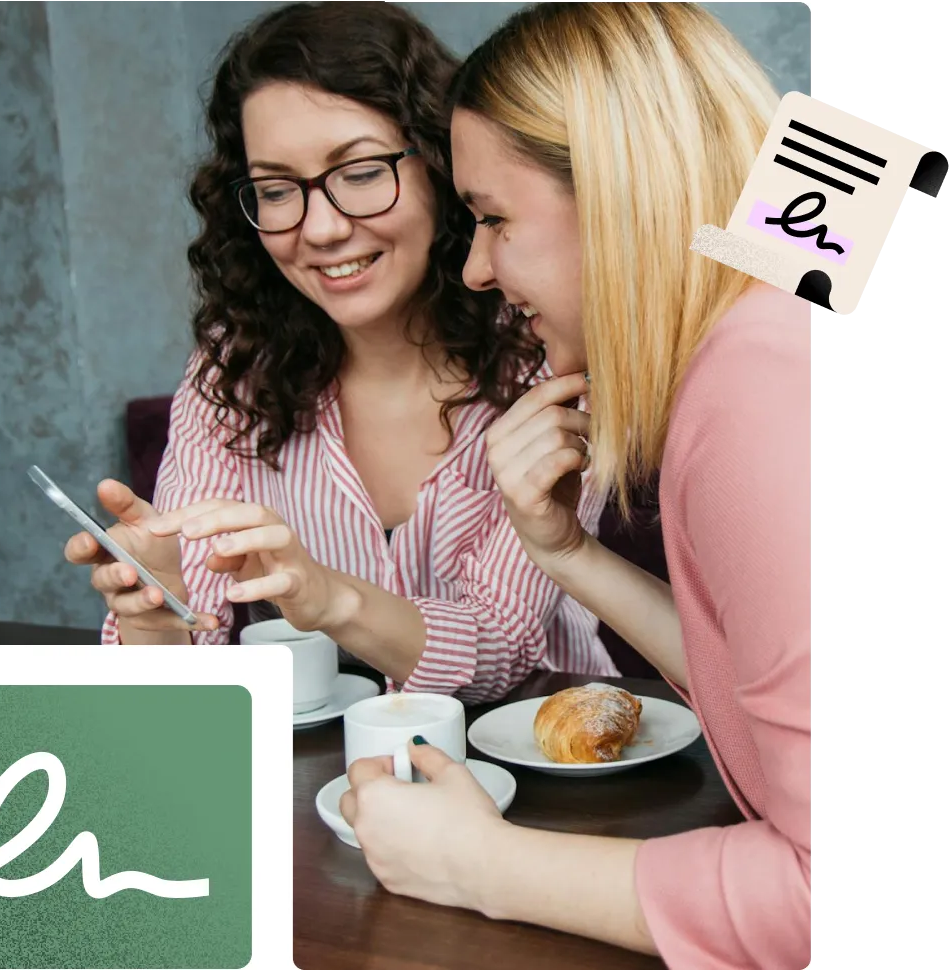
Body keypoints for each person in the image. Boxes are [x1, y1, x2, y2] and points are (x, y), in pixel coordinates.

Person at [339, 3, 813, 968]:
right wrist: (568, 556)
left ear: (618, 193)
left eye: (493, 218)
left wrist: (482, 864)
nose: (473, 267)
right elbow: (766, 703)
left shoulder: (755, 386)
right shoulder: (770, 325)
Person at [62, 0, 621, 702]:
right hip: (326, 774)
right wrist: (155, 609)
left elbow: (499, 653)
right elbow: (181, 673)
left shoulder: (549, 351)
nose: (321, 229)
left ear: (441, 169)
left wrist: (327, 597)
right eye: (275, 189)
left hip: (553, 759)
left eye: (359, 173)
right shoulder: (234, 366)